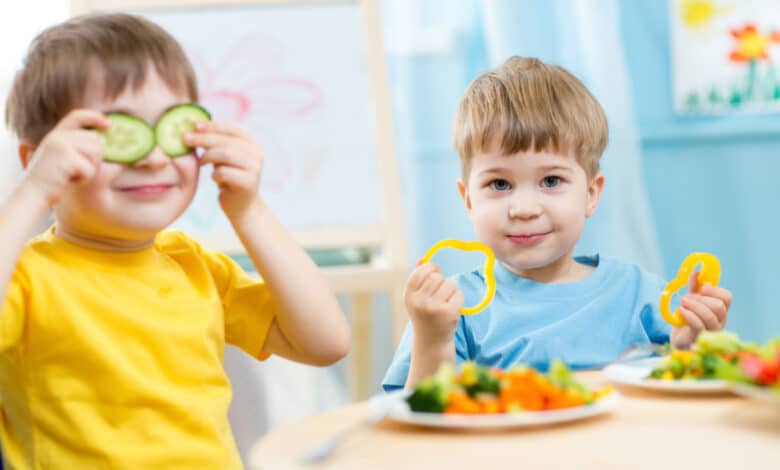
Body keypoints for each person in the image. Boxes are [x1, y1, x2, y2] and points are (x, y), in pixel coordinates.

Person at [0, 13, 350, 468]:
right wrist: (31, 191)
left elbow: (325, 343)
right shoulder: (26, 278)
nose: (152, 157)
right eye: (114, 134)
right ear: (39, 158)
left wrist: (249, 209)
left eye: (172, 128)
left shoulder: (194, 265)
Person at [383, 56, 732, 391]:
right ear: (469, 200)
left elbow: (687, 403)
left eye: (550, 181)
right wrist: (432, 339)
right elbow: (418, 424)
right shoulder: (451, 311)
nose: (523, 209)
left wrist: (693, 348)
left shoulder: (641, 295)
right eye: (499, 184)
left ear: (591, 194)